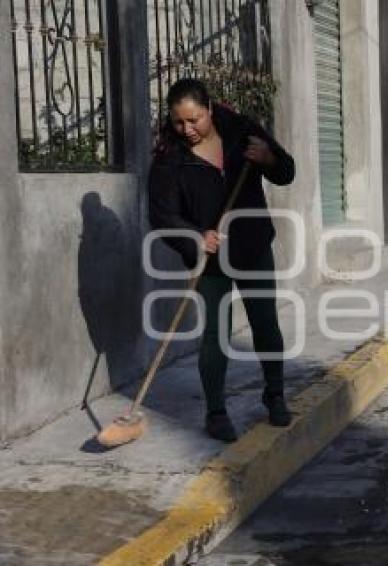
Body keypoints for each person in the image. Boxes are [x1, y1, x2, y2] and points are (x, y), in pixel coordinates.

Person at [148, 78, 296, 442]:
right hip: (210, 259)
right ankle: (216, 412)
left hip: (252, 247)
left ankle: (274, 394)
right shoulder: (169, 157)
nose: (188, 130)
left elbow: (286, 171)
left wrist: (268, 157)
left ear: (210, 109)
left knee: (265, 324)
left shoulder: (243, 132)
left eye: (195, 119)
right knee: (216, 335)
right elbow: (162, 215)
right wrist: (195, 236)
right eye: (180, 122)